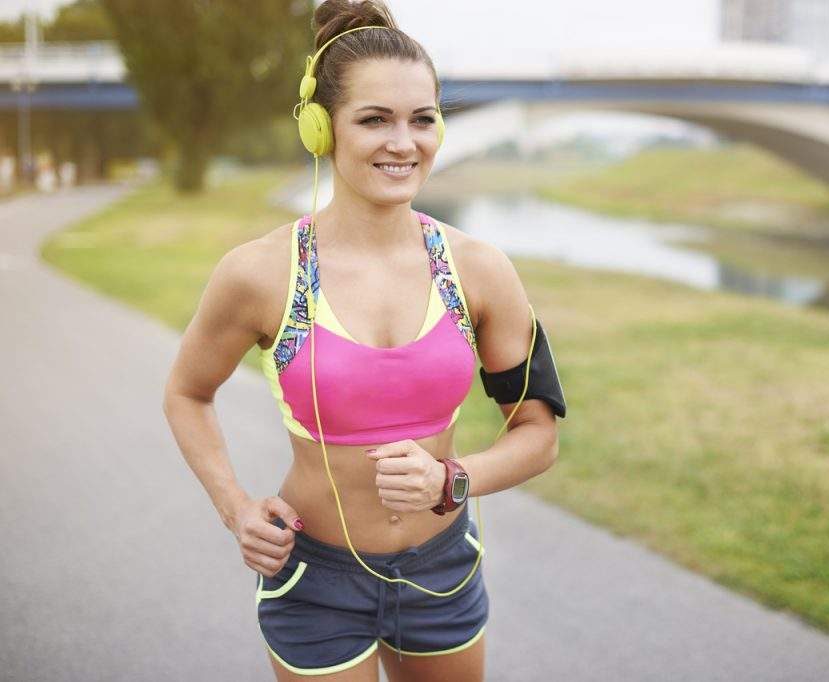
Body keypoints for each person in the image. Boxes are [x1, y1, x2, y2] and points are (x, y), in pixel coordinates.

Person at [162, 1, 564, 680]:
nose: (403, 143)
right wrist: (235, 507)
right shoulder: (260, 273)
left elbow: (538, 434)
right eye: (375, 119)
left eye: (423, 120)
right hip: (313, 578)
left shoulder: (481, 270)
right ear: (322, 129)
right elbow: (186, 393)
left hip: (443, 572)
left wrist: (451, 480)